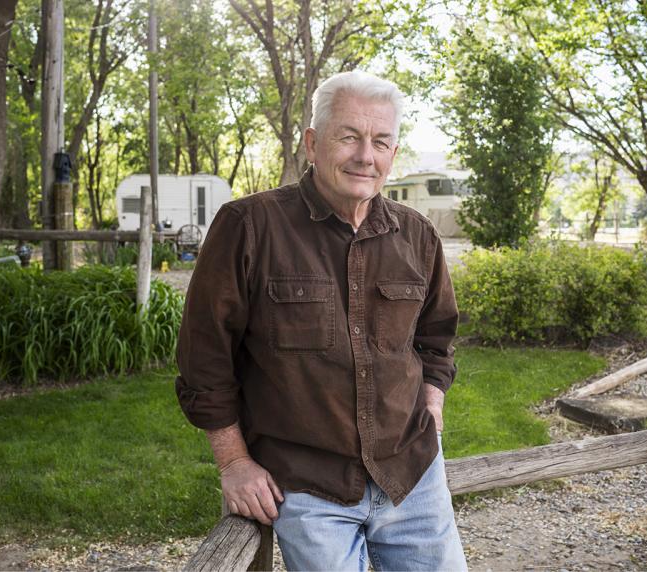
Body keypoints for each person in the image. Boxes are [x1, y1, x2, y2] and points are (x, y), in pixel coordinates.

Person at [176, 70, 466, 571]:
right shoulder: (248, 227)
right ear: (313, 143)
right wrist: (234, 463)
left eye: (380, 141)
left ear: (394, 154)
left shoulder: (418, 235)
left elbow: (436, 338)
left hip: (413, 474)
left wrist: (432, 404)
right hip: (308, 488)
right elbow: (204, 361)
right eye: (349, 136)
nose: (365, 156)